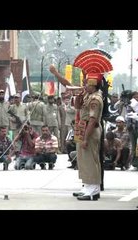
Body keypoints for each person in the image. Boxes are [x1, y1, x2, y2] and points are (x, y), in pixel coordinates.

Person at [49, 49, 112, 201]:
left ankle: (92, 188)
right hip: (83, 128)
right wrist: (57, 74)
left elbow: (93, 120)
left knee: (90, 159)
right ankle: (88, 185)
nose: (83, 83)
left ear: (93, 83)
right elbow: (70, 86)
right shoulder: (88, 94)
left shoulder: (95, 98)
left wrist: (85, 138)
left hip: (90, 130)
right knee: (84, 159)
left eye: (86, 81)